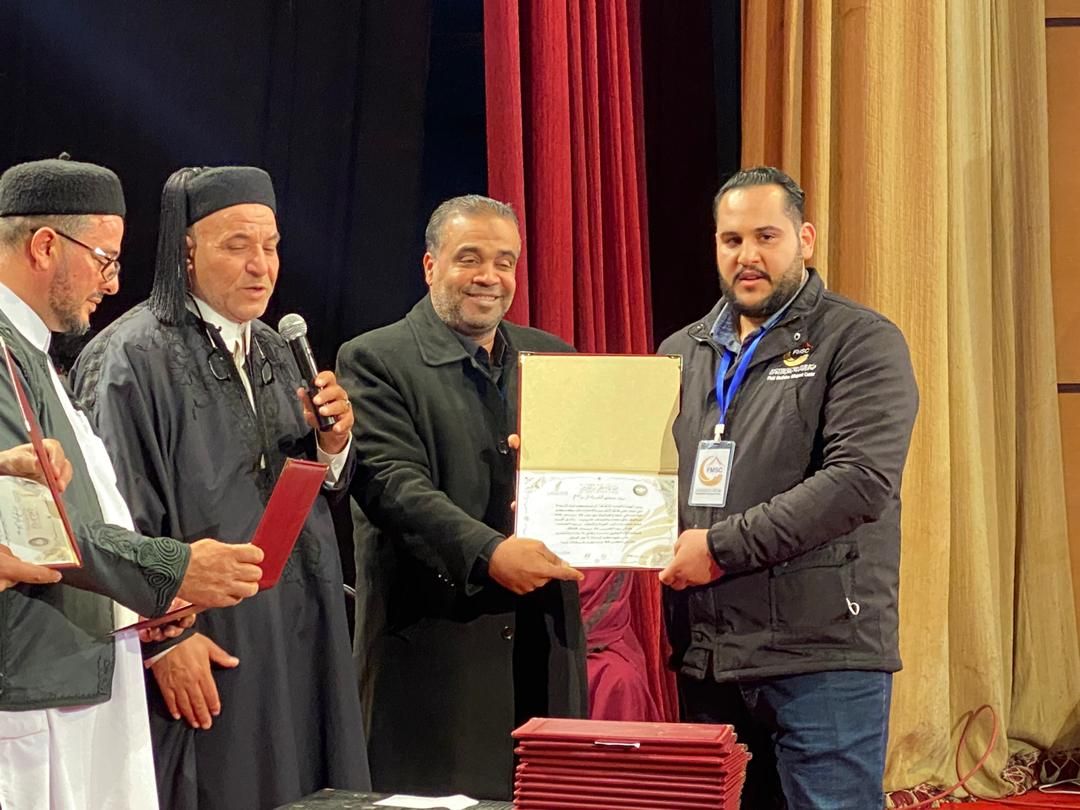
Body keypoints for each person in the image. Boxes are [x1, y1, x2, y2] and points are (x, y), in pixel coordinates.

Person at [72, 165, 370, 809]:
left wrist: (333, 446)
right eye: (237, 246)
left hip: (297, 625)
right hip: (205, 638)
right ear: (185, 252)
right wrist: (165, 641)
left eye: (271, 246)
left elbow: (305, 488)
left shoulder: (278, 349)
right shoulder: (130, 357)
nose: (261, 266)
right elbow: (110, 515)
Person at [0, 155, 264, 810]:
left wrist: (135, 608)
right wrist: (173, 569)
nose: (113, 283)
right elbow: (35, 529)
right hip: (32, 690)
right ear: (44, 246)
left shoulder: (32, 350)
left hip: (73, 672)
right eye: (104, 259)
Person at [657, 166, 918, 810]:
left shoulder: (860, 340)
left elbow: (858, 482)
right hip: (710, 653)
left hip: (822, 655)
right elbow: (649, 480)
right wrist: (562, 489)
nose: (747, 255)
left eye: (765, 236)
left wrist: (719, 548)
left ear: (804, 239)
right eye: (732, 240)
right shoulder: (680, 351)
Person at [337, 194, 588, 800]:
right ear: (430, 266)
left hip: (545, 652)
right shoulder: (374, 360)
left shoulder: (554, 359)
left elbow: (591, 474)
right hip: (432, 664)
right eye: (469, 258)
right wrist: (490, 554)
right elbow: (393, 486)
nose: (489, 277)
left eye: (505, 262)